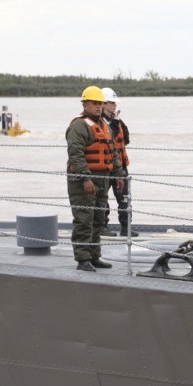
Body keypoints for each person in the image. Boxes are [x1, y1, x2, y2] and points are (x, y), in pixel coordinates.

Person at [66, 86, 125, 272]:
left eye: (100, 103)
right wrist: (85, 178)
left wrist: (118, 174)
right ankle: (82, 259)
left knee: (99, 218)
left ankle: (94, 255)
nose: (98, 107)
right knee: (84, 219)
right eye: (94, 103)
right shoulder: (79, 126)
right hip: (84, 181)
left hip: (103, 178)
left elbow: (113, 151)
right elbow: (76, 154)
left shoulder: (104, 125)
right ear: (85, 104)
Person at [99, 87, 137, 237]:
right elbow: (109, 139)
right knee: (102, 198)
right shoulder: (99, 122)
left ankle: (126, 228)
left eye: (115, 103)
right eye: (111, 103)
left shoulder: (118, 120)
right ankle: (102, 227)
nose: (114, 105)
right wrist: (114, 124)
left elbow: (125, 139)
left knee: (124, 198)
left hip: (120, 166)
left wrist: (118, 122)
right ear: (103, 104)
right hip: (105, 166)